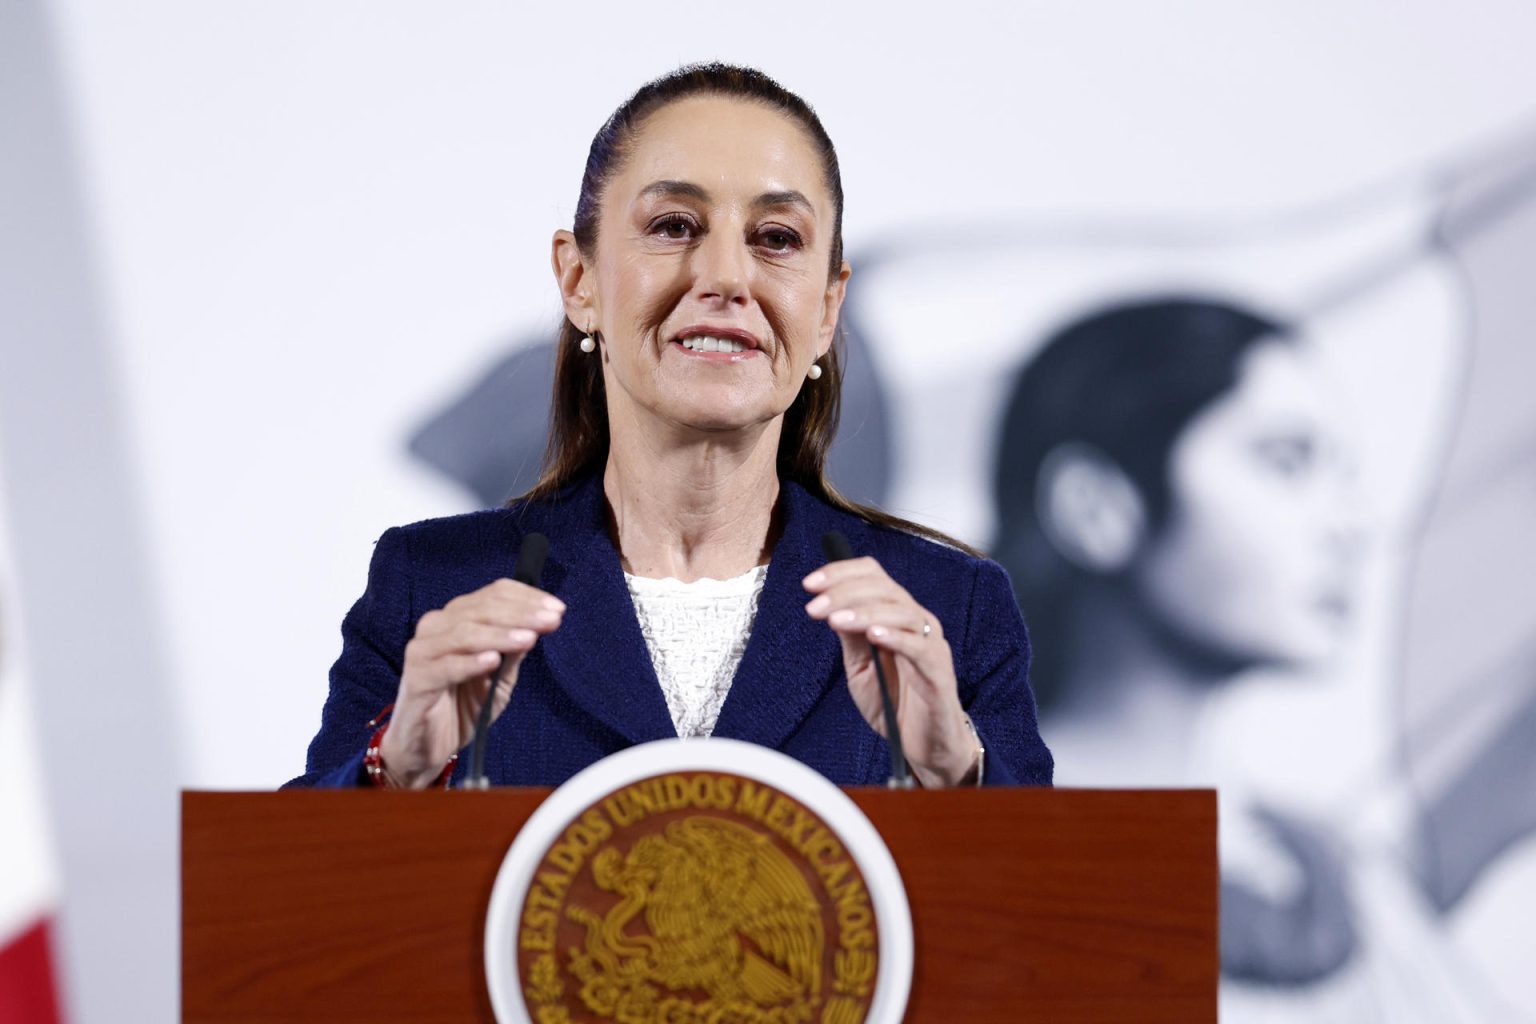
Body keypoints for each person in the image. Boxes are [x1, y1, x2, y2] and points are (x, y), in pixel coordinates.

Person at [287, 64, 1052, 791]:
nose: (725, 276)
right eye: (675, 225)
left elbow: (1056, 908)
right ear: (579, 280)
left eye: (777, 238)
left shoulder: (950, 608)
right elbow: (294, 891)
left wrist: (961, 775)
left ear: (826, 307)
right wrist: (400, 768)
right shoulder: (432, 584)